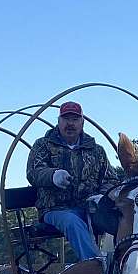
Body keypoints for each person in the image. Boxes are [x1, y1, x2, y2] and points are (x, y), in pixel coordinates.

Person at [26, 101, 120, 260]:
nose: (70, 123)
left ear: (82, 122)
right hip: (55, 209)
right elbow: (33, 172)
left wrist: (104, 197)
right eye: (66, 119)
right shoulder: (43, 145)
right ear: (59, 121)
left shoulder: (96, 150)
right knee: (73, 221)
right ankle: (96, 268)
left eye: (75, 119)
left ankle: (125, 263)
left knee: (121, 218)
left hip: (89, 207)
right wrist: (53, 175)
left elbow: (109, 179)